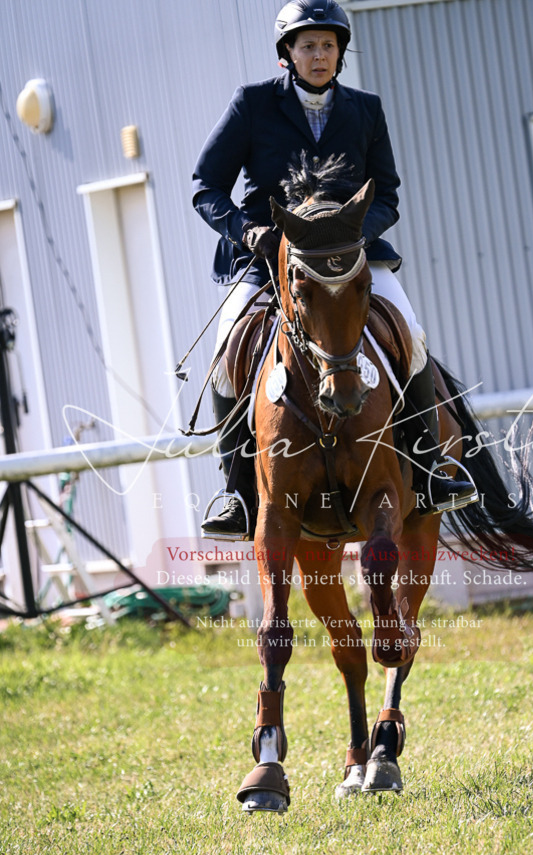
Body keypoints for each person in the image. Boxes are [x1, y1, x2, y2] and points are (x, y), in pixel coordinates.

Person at [192, 0, 477, 539]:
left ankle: (433, 466)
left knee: (411, 336)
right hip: (270, 258)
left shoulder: (365, 109)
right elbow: (206, 187)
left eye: (328, 45)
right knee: (226, 351)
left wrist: (354, 239)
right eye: (307, 46)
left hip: (349, 261)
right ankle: (235, 491)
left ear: (339, 52)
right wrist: (246, 232)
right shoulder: (251, 105)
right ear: (287, 55)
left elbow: (387, 193)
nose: (319, 55)